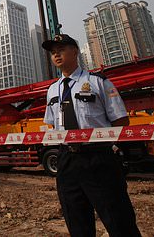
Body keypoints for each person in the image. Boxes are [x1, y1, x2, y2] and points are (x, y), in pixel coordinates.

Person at [42, 33, 141, 237]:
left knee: (118, 220)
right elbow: (51, 126)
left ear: (75, 51)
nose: (56, 55)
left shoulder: (97, 82)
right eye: (53, 52)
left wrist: (110, 147)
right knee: (76, 221)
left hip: (98, 158)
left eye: (61, 49)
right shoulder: (52, 90)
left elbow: (120, 120)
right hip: (66, 160)